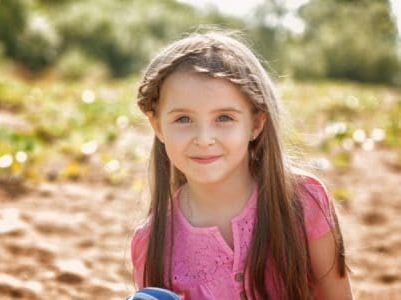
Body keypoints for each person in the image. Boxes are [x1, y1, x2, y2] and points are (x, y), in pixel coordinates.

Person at [130, 30, 353, 300]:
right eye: (183, 119)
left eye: (224, 117)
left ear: (256, 123)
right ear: (158, 127)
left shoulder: (303, 201)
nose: (204, 139)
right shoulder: (151, 242)